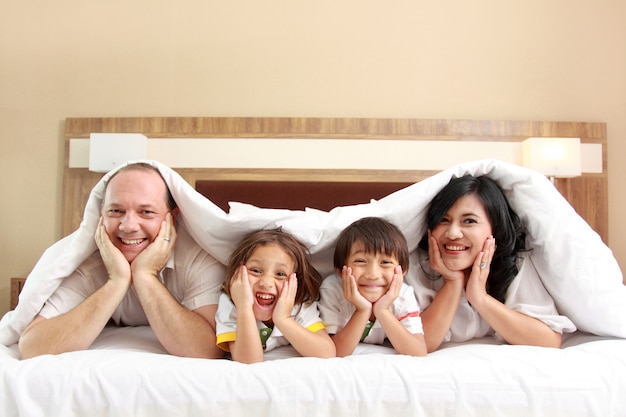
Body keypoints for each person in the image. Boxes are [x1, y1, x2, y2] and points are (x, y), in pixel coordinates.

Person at [18, 162, 225, 359]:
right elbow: (32, 347)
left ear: (173, 217)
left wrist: (145, 276)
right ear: (101, 216)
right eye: (116, 211)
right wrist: (116, 280)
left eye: (146, 212)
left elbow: (207, 349)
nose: (128, 226)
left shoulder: (198, 258)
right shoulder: (88, 262)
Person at [415, 175, 576, 352]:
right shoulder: (414, 266)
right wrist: (453, 283)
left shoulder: (516, 263)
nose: (453, 233)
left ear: (495, 228)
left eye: (469, 221)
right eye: (443, 220)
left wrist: (480, 298)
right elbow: (419, 344)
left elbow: (548, 341)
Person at [215, 228, 336, 363]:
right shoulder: (232, 305)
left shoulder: (299, 303)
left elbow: (327, 353)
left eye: (280, 274)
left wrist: (283, 319)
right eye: (255, 270)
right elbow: (249, 362)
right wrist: (244, 308)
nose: (266, 283)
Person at [319, 217, 427, 357]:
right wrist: (362, 310)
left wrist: (382, 310)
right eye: (360, 261)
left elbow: (418, 351)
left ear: (403, 270)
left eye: (386, 262)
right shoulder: (333, 290)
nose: (373, 274)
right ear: (340, 270)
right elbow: (336, 352)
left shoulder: (403, 295)